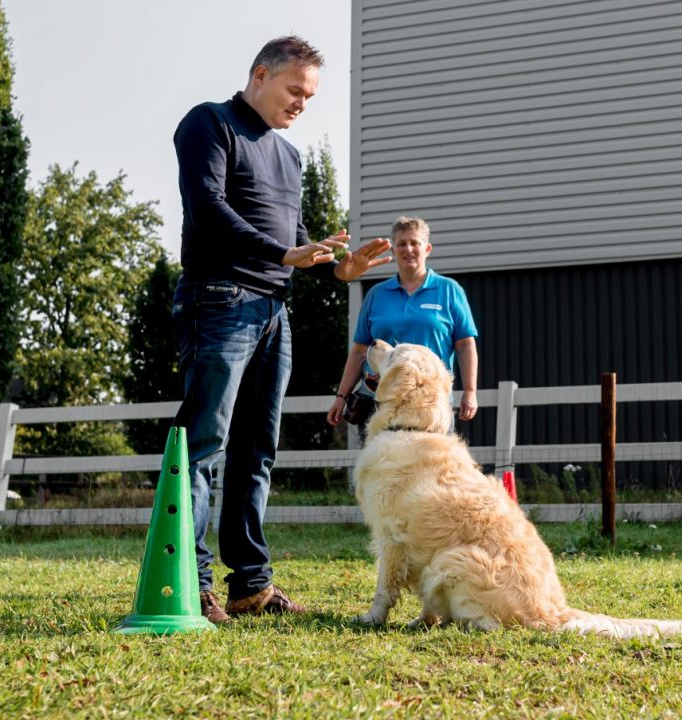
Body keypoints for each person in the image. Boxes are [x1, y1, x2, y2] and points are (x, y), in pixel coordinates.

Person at [172, 36, 391, 624]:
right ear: (261, 75)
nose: (301, 103)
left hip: (274, 313)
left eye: (310, 96)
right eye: (295, 90)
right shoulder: (209, 124)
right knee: (202, 446)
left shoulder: (289, 157)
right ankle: (191, 587)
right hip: (218, 301)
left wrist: (340, 267)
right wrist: (284, 252)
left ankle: (251, 586)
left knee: (257, 451)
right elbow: (208, 209)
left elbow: (299, 243)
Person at [327, 216, 478, 432]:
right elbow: (360, 350)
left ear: (427, 249)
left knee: (431, 463)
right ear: (394, 250)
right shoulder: (376, 294)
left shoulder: (449, 291)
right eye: (401, 244)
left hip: (430, 402)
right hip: (379, 401)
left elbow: (465, 345)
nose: (408, 249)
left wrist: (470, 392)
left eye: (414, 243)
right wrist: (341, 396)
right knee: (382, 464)